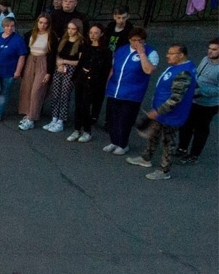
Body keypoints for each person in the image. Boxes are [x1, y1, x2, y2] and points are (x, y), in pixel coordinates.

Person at [126, 44, 196, 180]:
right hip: (161, 113)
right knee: (153, 135)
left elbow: (176, 98)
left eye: (171, 53)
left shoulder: (184, 72)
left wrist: (157, 111)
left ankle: (164, 170)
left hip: (171, 115)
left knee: (168, 142)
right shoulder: (177, 67)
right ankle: (146, 158)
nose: (167, 56)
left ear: (181, 55)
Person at [103, 28, 158, 156]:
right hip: (115, 90)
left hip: (132, 93)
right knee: (112, 118)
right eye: (134, 40)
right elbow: (113, 68)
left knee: (125, 119)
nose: (137, 43)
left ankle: (123, 144)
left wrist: (142, 53)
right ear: (129, 40)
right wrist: (107, 82)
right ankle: (114, 141)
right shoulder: (121, 50)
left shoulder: (151, 52)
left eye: (140, 40)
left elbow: (149, 70)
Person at [176, 37, 219, 163]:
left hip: (208, 104)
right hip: (193, 100)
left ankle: (194, 155)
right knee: (186, 125)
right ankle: (182, 148)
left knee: (201, 129)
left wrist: (200, 90)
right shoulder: (205, 59)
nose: (210, 52)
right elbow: (197, 75)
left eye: (214, 49)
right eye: (209, 48)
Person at [68, 25, 111, 143]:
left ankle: (87, 131)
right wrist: (76, 78)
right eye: (91, 33)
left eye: (96, 33)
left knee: (86, 106)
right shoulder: (86, 47)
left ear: (101, 34)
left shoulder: (105, 50)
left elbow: (105, 69)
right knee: (78, 105)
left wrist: (95, 76)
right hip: (81, 79)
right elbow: (81, 62)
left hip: (94, 82)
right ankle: (77, 129)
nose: (93, 35)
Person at [0, 15, 28, 124]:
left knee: (4, 93)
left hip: (9, 71)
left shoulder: (18, 40)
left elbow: (22, 56)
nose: (9, 28)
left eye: (12, 26)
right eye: (7, 26)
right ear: (3, 27)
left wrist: (18, 71)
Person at [43, 19, 83, 133]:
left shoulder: (80, 43)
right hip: (59, 68)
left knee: (64, 95)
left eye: (73, 29)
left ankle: (61, 120)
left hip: (71, 70)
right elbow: (57, 54)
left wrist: (65, 61)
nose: (70, 31)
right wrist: (59, 63)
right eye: (69, 28)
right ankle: (54, 118)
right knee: (55, 93)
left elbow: (80, 61)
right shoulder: (63, 40)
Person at [16, 14, 56, 131]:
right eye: (40, 22)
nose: (42, 25)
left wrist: (49, 72)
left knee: (37, 90)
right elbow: (25, 50)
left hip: (42, 62)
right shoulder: (30, 34)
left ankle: (32, 118)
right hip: (30, 60)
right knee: (27, 89)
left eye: (45, 23)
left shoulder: (51, 36)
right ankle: (27, 113)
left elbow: (52, 55)